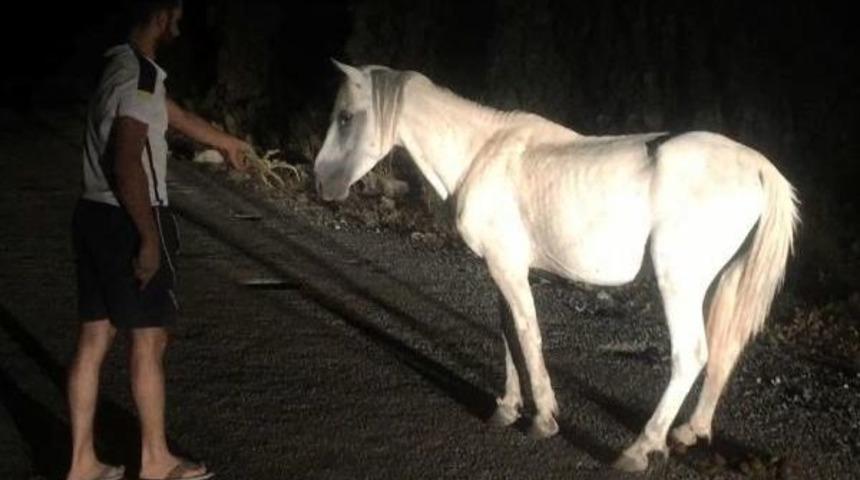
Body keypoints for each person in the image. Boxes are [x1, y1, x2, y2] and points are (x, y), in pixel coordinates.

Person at [68, 1, 249, 479]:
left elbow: (169, 115)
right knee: (149, 340)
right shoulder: (142, 78)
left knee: (93, 338)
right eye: (178, 13)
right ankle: (155, 461)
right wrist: (148, 238)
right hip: (130, 217)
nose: (182, 23)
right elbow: (128, 160)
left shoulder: (118, 66)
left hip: (92, 213)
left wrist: (224, 142)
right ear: (162, 14)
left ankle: (81, 463)